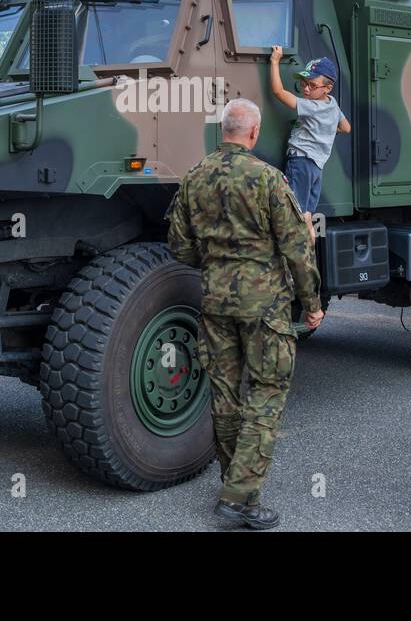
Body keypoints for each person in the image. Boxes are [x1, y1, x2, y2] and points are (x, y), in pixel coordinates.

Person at [167, 97, 323, 530]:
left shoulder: (193, 178)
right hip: (266, 306)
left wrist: (218, 262)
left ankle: (242, 493)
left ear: (224, 130)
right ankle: (237, 496)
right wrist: (311, 305)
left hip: (215, 302)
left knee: (226, 396)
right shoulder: (268, 179)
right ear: (253, 133)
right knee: (267, 394)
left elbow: (179, 247)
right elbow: (297, 250)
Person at [268, 48, 351, 241]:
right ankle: (309, 247)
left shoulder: (311, 107)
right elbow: (346, 128)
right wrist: (327, 130)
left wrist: (275, 61)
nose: (306, 88)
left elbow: (278, 92)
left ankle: (300, 250)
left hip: (301, 162)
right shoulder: (333, 103)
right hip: (317, 167)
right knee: (306, 215)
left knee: (294, 213)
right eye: (303, 83)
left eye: (312, 85)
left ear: (327, 88)